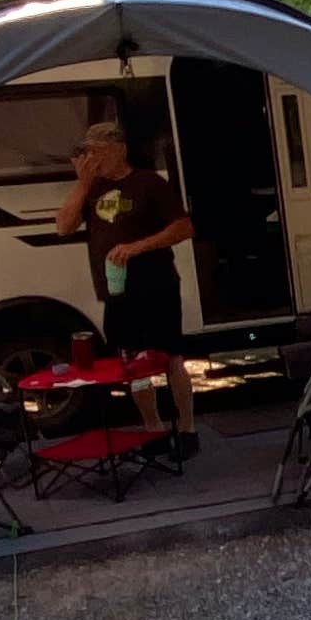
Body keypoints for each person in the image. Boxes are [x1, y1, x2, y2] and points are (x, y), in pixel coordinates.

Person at [55, 116, 197, 449]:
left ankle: (188, 430)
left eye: (99, 153)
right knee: (131, 363)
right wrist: (81, 184)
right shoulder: (91, 190)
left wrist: (137, 246)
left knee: (171, 357)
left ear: (119, 150)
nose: (94, 160)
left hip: (156, 284)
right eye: (89, 154)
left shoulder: (149, 183)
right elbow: (63, 226)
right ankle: (152, 429)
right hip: (117, 291)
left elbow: (184, 228)